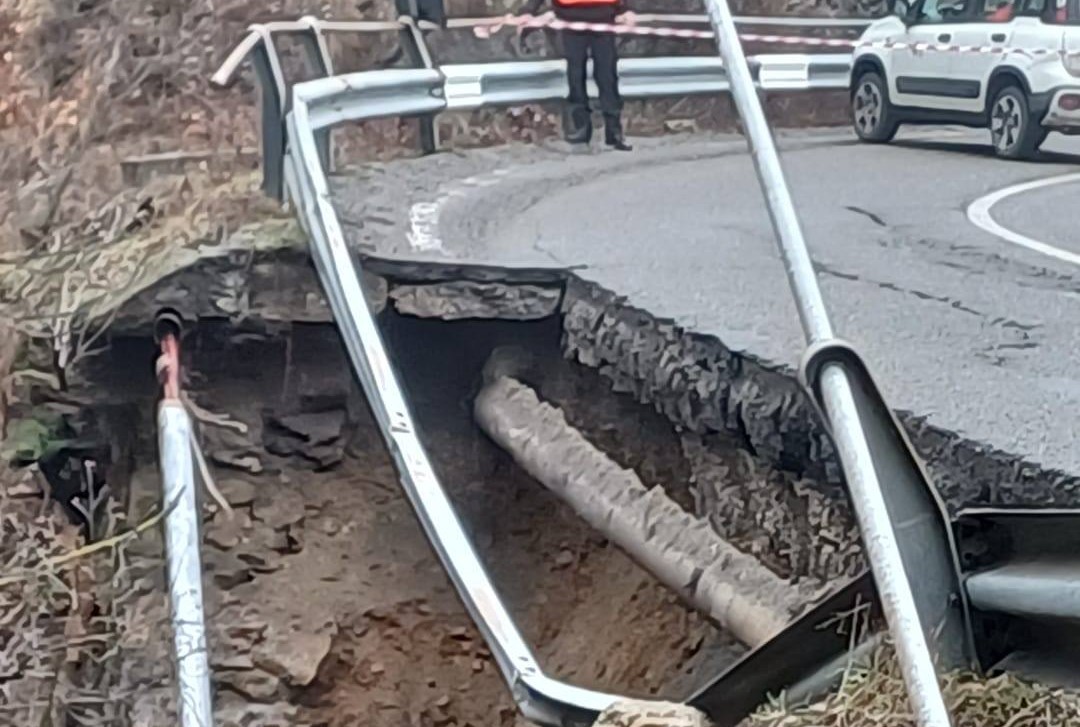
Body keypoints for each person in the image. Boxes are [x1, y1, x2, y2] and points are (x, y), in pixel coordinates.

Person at [520, 0, 635, 150]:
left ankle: (614, 133)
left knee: (607, 77)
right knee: (576, 76)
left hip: (603, 19)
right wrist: (528, 11)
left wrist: (626, 9)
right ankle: (580, 132)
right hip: (570, 21)